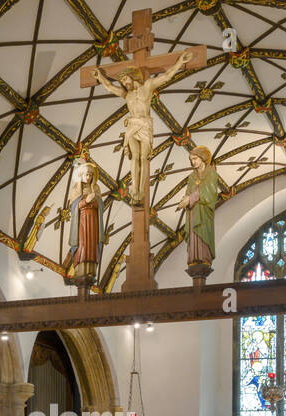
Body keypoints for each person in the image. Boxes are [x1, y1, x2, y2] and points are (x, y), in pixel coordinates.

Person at [94, 49, 193, 205]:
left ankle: (141, 189)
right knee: (134, 157)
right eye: (123, 82)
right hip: (133, 125)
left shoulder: (147, 86)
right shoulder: (126, 94)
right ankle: (135, 190)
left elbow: (166, 76)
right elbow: (109, 87)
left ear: (133, 77)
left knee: (143, 158)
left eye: (126, 80)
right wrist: (99, 76)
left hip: (145, 125)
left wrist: (180, 62)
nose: (124, 83)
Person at [178, 145, 220, 274]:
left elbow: (210, 191)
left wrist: (191, 198)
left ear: (203, 158)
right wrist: (185, 200)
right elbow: (188, 191)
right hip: (193, 212)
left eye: (195, 158)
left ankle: (204, 258)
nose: (193, 162)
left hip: (204, 212)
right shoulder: (192, 176)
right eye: (191, 159)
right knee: (193, 235)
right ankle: (193, 258)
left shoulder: (211, 172)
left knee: (202, 233)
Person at [65, 162, 104, 288]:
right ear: (81, 175)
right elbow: (73, 207)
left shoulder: (96, 188)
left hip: (93, 221)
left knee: (92, 245)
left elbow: (101, 207)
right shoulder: (77, 188)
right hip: (82, 221)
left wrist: (96, 201)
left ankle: (91, 270)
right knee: (83, 244)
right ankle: (80, 269)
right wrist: (86, 200)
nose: (88, 177)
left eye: (91, 175)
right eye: (86, 174)